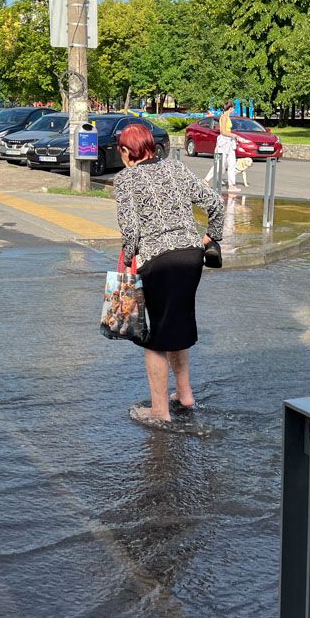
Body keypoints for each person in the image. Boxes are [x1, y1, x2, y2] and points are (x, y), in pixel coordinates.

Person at [114, 122, 225, 423]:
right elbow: (215, 203)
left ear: (126, 150)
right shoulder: (177, 168)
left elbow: (131, 231)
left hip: (157, 262)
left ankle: (160, 411)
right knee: (176, 325)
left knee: (154, 338)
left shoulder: (125, 180)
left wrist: (127, 258)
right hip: (191, 258)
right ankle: (185, 394)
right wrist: (210, 237)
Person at [203, 103, 241, 191]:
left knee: (232, 163)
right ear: (230, 108)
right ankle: (206, 180)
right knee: (220, 163)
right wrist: (234, 135)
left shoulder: (227, 117)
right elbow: (223, 131)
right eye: (233, 108)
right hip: (224, 142)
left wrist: (232, 136)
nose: (233, 110)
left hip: (229, 142)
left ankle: (232, 185)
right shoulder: (224, 117)